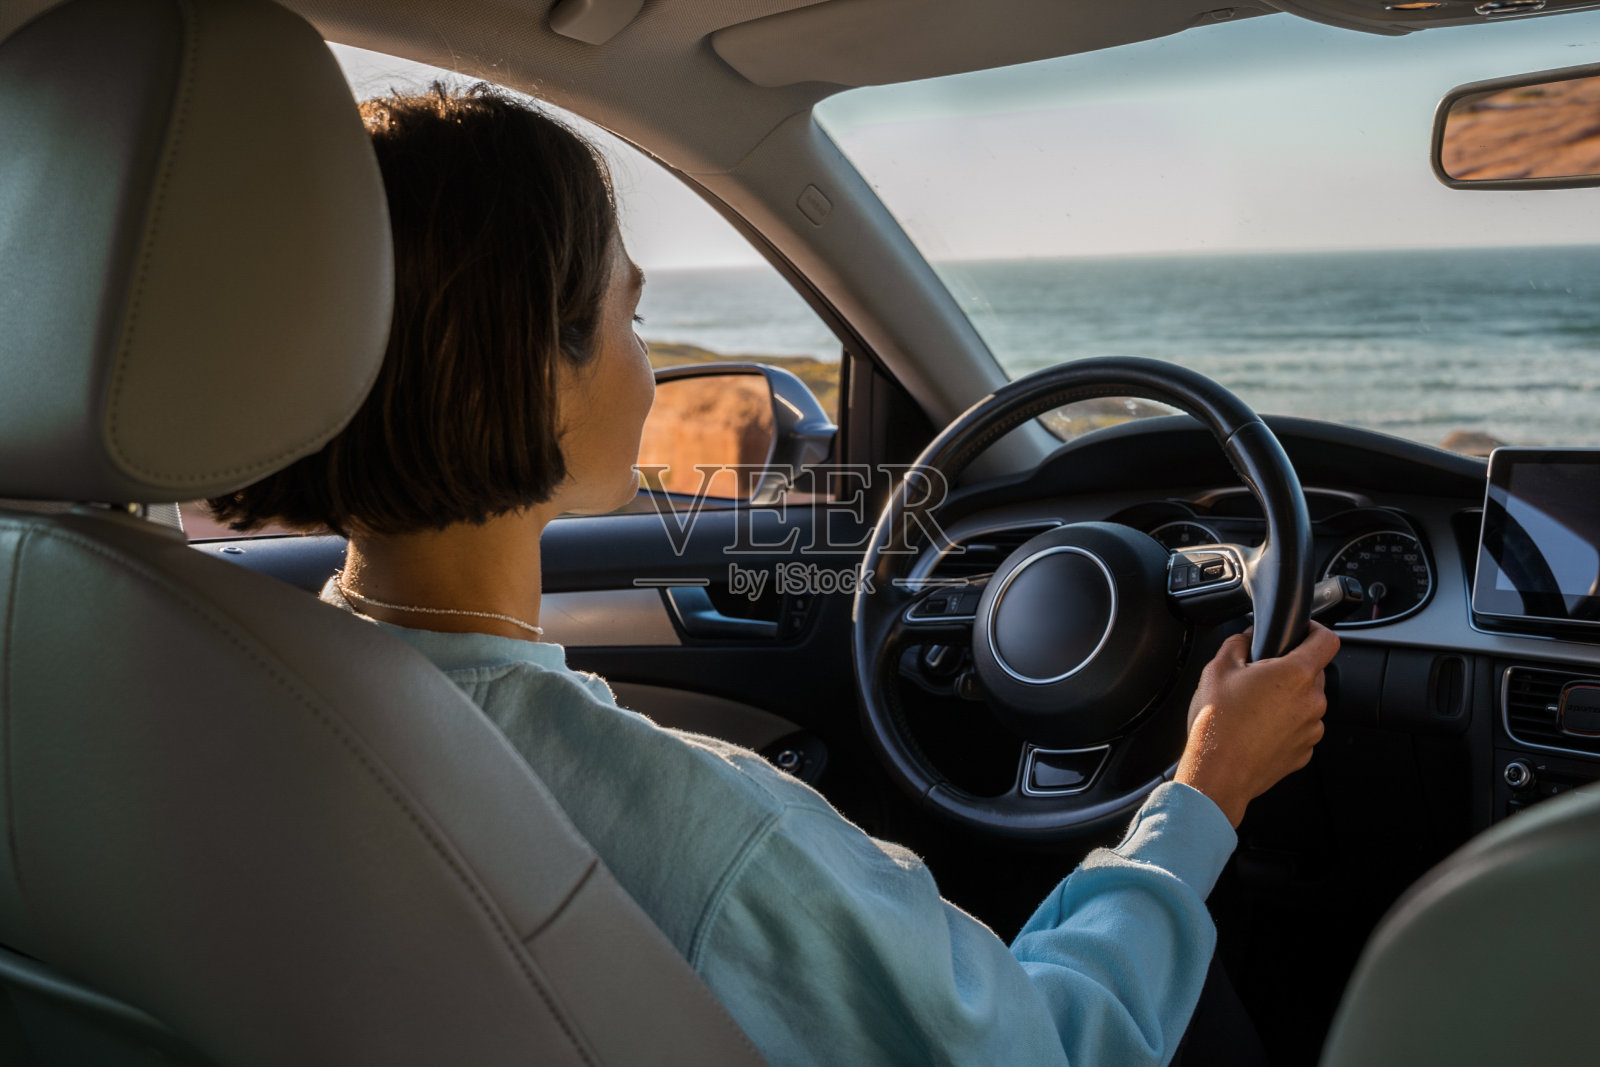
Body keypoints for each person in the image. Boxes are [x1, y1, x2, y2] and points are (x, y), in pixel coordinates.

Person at [209, 84, 1339, 1066]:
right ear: (539, 371)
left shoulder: (218, 689)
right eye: (629, 313)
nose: (650, 367)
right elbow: (1055, 1042)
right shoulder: (707, 835)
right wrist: (1204, 793)